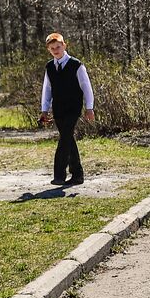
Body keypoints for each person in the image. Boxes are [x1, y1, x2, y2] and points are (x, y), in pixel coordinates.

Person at [38, 33, 96, 186]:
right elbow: (47, 89)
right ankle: (77, 175)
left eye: (58, 47)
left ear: (64, 45)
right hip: (58, 109)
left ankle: (59, 175)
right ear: (49, 50)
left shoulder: (76, 65)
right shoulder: (50, 67)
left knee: (64, 138)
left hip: (73, 108)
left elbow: (86, 87)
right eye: (52, 48)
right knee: (68, 138)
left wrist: (89, 107)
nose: (56, 50)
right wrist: (44, 110)